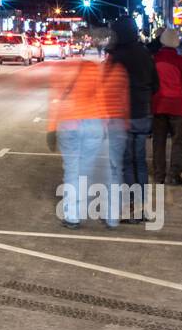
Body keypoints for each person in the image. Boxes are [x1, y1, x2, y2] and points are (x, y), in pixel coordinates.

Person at [47, 57, 130, 228]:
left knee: (72, 171)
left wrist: (51, 128)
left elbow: (56, 99)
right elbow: (99, 95)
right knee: (91, 170)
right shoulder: (92, 67)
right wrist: (105, 121)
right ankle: (109, 215)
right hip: (93, 124)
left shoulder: (61, 68)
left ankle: (73, 216)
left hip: (70, 123)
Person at [105, 17, 159, 223]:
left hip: (122, 116)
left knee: (125, 164)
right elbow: (156, 85)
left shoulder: (116, 56)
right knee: (141, 163)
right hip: (143, 114)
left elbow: (107, 87)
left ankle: (131, 209)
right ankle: (142, 207)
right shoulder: (145, 54)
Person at [151, 28, 182, 185]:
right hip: (178, 107)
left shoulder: (153, 60)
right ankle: (174, 174)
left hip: (158, 105)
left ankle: (159, 174)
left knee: (158, 141)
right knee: (178, 142)